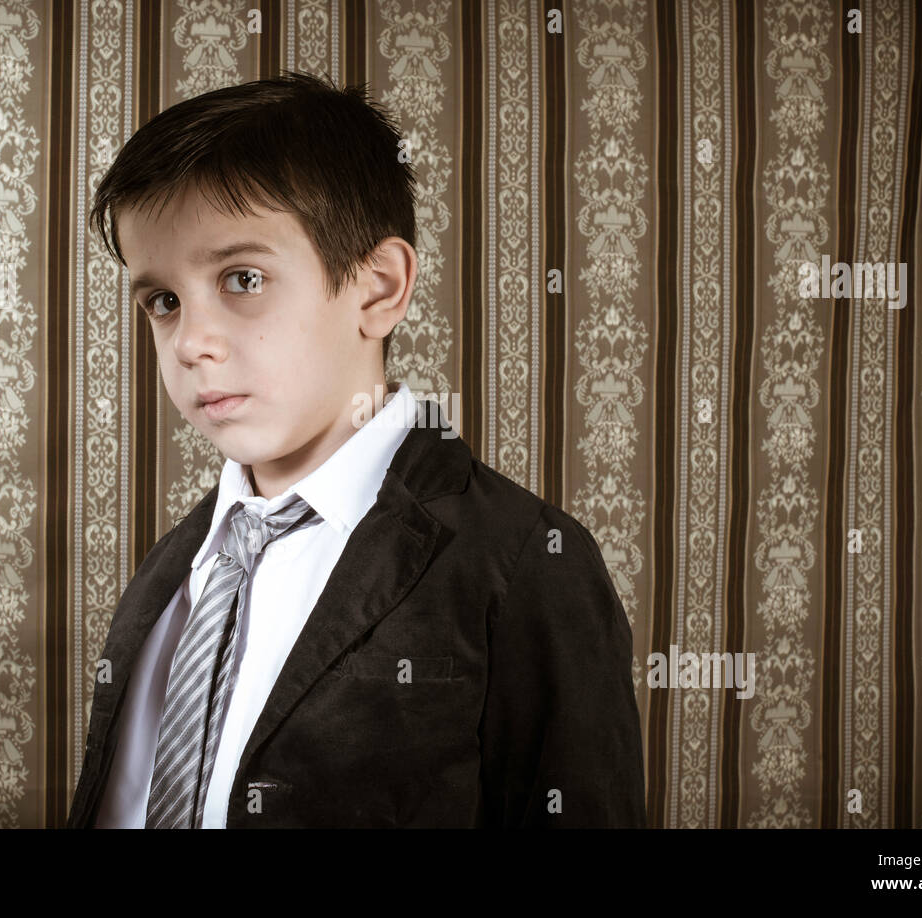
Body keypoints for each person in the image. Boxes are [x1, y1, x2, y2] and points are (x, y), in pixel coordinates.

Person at [67, 71, 645, 828]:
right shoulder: (181, 565)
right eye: (163, 301)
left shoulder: (524, 563)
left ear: (378, 289)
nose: (191, 343)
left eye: (243, 278)